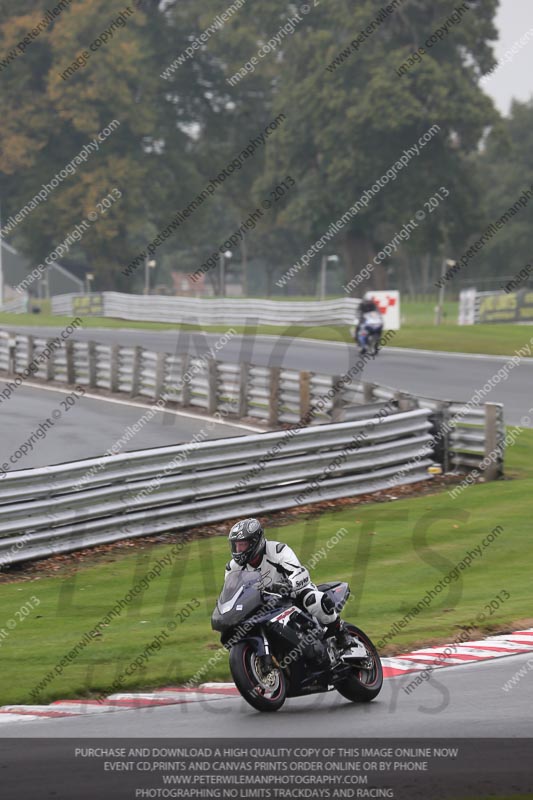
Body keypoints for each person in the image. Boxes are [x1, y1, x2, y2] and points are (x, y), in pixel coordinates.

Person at [225, 518, 354, 649]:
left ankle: (341, 632)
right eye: (236, 545)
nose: (238, 549)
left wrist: (288, 585)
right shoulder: (232, 567)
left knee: (313, 600)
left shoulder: (277, 550)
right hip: (261, 603)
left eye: (243, 545)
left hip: (293, 594)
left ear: (254, 542)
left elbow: (301, 573)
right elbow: (231, 593)